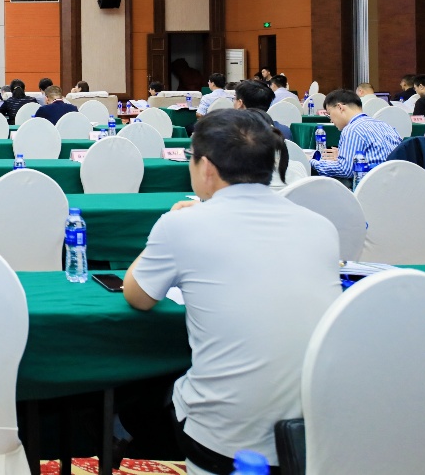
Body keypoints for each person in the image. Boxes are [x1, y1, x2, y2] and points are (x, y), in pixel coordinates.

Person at [123, 109, 339, 473]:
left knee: (137, 397)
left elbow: (137, 296)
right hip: (313, 438)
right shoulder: (320, 226)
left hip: (224, 442)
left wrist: (173, 220)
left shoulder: (182, 225)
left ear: (206, 167)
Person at [312, 88, 403, 179]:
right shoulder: (386, 126)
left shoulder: (352, 129)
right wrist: (343, 156)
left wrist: (311, 162)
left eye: (329, 114)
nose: (331, 120)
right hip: (396, 181)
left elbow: (345, 170)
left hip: (372, 184)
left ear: (340, 108)